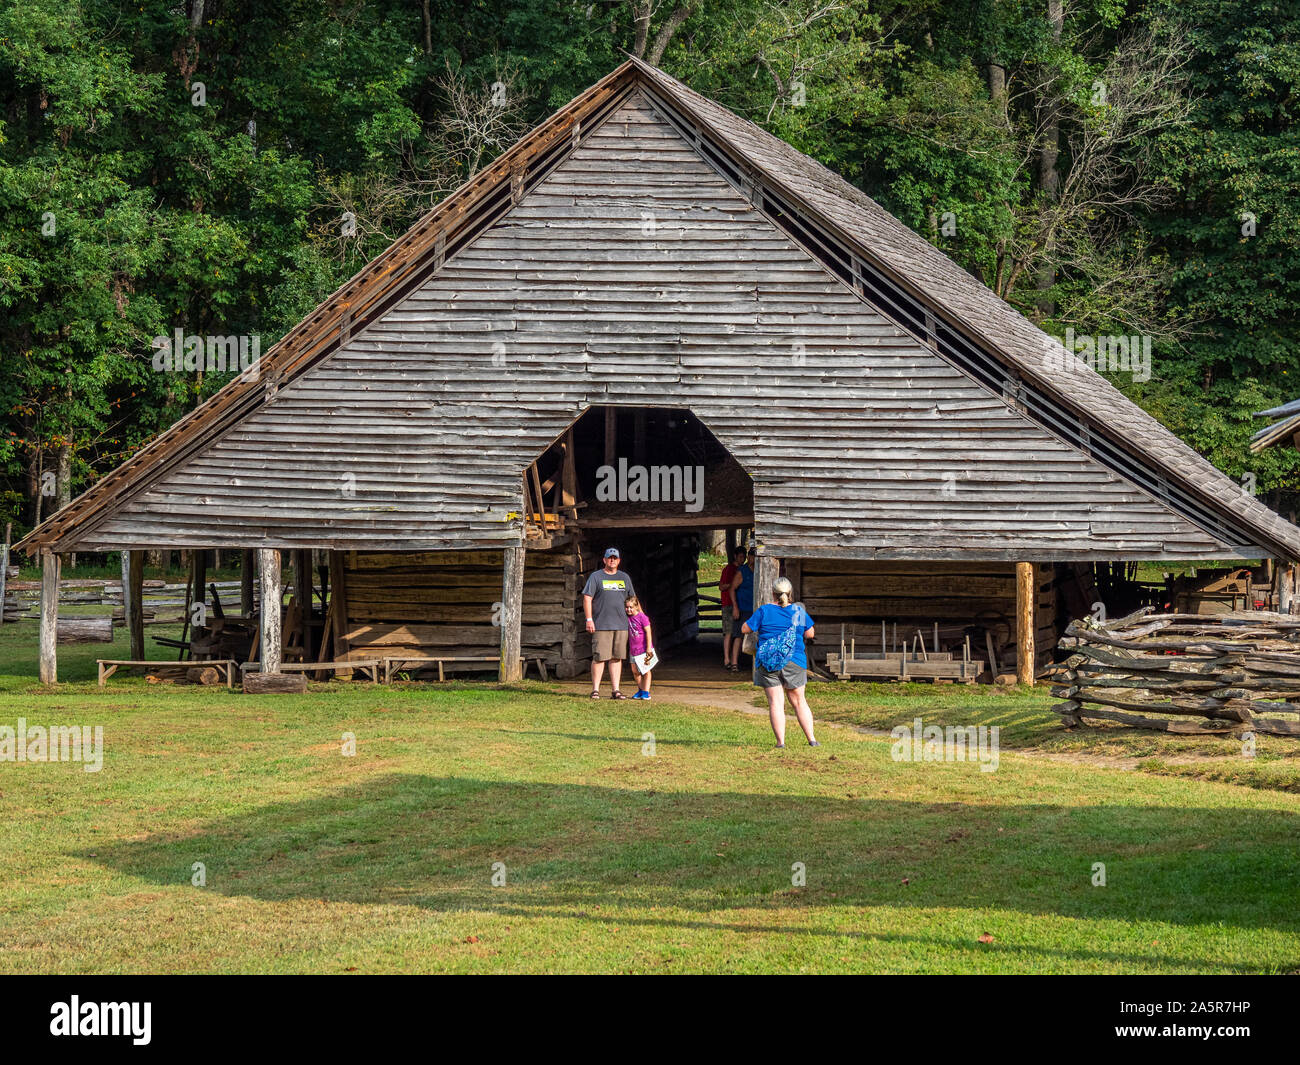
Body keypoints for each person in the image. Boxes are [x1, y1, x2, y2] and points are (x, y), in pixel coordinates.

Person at [742, 576, 819, 748]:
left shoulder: (764, 611)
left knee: (776, 702)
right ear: (790, 593)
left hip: (768, 661)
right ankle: (812, 739)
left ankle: (781, 743)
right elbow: (810, 634)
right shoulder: (798, 612)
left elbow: (745, 629)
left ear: (773, 593)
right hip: (795, 660)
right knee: (799, 701)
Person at [582, 547, 635, 699]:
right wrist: (589, 619)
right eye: (609, 558)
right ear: (604, 560)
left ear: (619, 561)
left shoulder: (624, 578)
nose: (612, 560)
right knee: (599, 657)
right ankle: (595, 690)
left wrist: (641, 618)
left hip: (621, 624)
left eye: (615, 558)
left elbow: (632, 600)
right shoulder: (596, 577)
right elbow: (587, 598)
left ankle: (616, 690)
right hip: (601, 624)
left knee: (616, 658)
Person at [725, 546, 755, 672]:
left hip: (756, 609)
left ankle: (756, 663)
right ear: (749, 557)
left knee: (757, 635)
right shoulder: (742, 571)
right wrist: (735, 607)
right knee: (738, 635)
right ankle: (734, 663)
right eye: (751, 556)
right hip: (743, 608)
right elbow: (731, 589)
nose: (753, 559)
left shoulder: (761, 570)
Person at [718, 547, 744, 669]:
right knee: (728, 632)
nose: (742, 559)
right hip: (728, 604)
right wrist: (735, 584)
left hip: (739, 604)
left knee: (737, 632)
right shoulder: (729, 569)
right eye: (740, 557)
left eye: (743, 557)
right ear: (735, 556)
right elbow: (722, 586)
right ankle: (726, 659)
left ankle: (735, 659)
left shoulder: (742, 569)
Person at [625, 595, 655, 699]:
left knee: (645, 670)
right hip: (633, 649)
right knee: (635, 671)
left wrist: (648, 648)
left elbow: (648, 632)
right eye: (627, 607)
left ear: (636, 607)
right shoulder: (627, 618)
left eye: (631, 607)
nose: (629, 609)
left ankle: (646, 692)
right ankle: (641, 689)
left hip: (643, 649)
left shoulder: (642, 617)